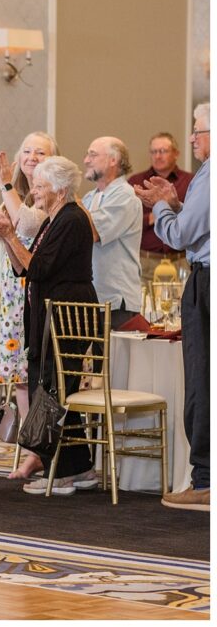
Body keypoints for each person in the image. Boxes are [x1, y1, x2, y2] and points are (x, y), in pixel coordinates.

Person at [0, 156, 98, 495]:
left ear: (59, 189)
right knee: (56, 390)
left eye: (40, 186)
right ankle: (82, 469)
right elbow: (24, 269)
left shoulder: (72, 219)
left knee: (53, 391)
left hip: (63, 315)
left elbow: (39, 266)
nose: (34, 190)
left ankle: (60, 473)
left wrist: (9, 233)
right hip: (49, 313)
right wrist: (6, 237)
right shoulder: (54, 217)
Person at [0, 131, 55, 478]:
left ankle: (42, 446)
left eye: (41, 151)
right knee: (18, 375)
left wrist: (6, 189)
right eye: (27, 151)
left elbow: (24, 225)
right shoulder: (11, 193)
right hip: (10, 293)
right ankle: (31, 447)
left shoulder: (47, 198)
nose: (32, 156)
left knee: (37, 372)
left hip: (33, 289)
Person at [134, 102, 210, 511]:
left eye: (198, 131)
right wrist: (174, 203)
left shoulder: (210, 174)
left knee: (202, 379)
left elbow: (181, 237)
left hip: (207, 281)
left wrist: (162, 205)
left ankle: (205, 479)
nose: (194, 137)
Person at [81, 137, 142, 328]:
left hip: (116, 299)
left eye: (93, 154)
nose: (86, 160)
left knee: (113, 359)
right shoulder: (90, 197)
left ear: (113, 160)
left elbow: (91, 232)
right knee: (95, 359)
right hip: (93, 297)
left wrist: (67, 195)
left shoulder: (125, 196)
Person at [127, 133, 194, 285]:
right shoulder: (136, 181)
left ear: (176, 153)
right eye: (154, 152)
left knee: (183, 307)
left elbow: (194, 218)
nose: (158, 156)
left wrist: (166, 209)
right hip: (147, 261)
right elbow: (127, 221)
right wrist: (153, 216)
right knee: (145, 308)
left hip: (180, 261)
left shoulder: (190, 181)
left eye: (163, 151)